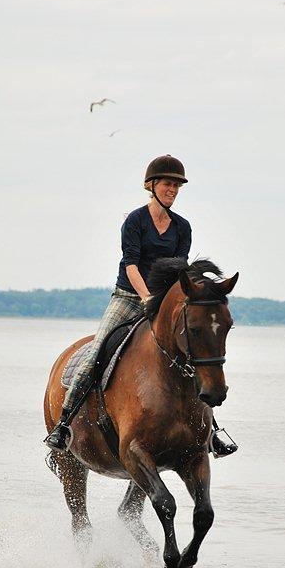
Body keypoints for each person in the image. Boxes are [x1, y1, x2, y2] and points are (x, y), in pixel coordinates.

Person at [44, 155, 237, 458]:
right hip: (128, 297)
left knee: (190, 356)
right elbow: (131, 265)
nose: (172, 189)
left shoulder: (182, 227)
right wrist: (147, 297)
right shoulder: (135, 221)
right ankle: (65, 422)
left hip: (162, 302)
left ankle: (212, 432)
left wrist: (170, 303)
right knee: (96, 351)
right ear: (152, 186)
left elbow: (178, 271)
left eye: (176, 185)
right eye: (167, 184)